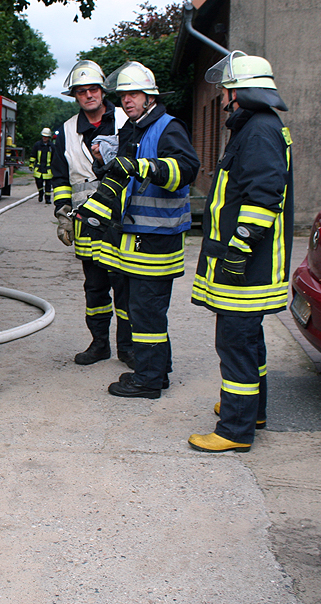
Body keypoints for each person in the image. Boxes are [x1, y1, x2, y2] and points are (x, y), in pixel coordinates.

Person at [188, 52, 293, 452]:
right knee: (249, 342)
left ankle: (234, 429)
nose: (223, 98)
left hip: (248, 266)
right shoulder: (258, 126)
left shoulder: (260, 131)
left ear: (241, 92)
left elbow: (264, 197)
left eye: (227, 90)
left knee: (236, 344)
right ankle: (253, 411)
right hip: (250, 263)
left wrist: (239, 248)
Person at [98, 61, 199, 400]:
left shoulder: (168, 127)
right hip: (137, 235)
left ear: (150, 97)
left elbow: (187, 168)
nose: (127, 100)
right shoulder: (134, 129)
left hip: (157, 238)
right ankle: (157, 370)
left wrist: (146, 167)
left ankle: (148, 381)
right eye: (123, 96)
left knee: (147, 311)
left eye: (134, 94)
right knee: (142, 309)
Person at [51, 60, 133, 368]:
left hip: (121, 218)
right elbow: (61, 178)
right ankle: (99, 344)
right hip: (87, 221)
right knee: (95, 287)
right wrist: (63, 214)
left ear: (103, 90)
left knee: (124, 286)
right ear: (75, 96)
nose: (88, 95)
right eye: (82, 91)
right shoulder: (67, 130)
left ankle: (128, 347)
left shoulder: (126, 120)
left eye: (93, 89)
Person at [30, 127, 55, 204]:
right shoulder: (37, 145)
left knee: (48, 185)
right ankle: (41, 193)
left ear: (49, 137)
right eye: (43, 136)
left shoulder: (52, 146)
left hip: (48, 169)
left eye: (46, 137)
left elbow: (55, 158)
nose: (44, 138)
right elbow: (33, 155)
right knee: (39, 182)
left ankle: (47, 199)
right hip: (39, 168)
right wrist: (31, 164)